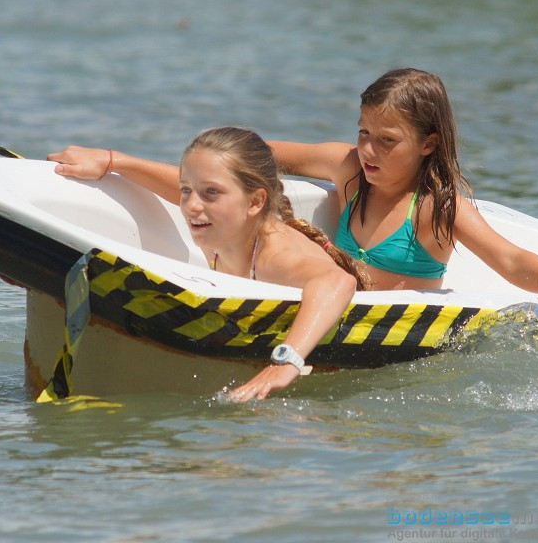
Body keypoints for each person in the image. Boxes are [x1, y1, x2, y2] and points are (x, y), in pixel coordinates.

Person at [47, 127, 368, 402]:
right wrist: (113, 161)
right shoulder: (228, 222)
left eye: (211, 193)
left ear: (255, 201)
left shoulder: (274, 250)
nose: (192, 205)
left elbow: (337, 283)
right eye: (188, 191)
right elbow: (189, 185)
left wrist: (286, 361)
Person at [268, 68, 538, 316]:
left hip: (400, 332)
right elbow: (261, 153)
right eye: (363, 132)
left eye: (387, 140)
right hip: (338, 312)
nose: (369, 150)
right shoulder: (348, 169)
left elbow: (508, 258)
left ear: (428, 144)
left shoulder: (437, 208)